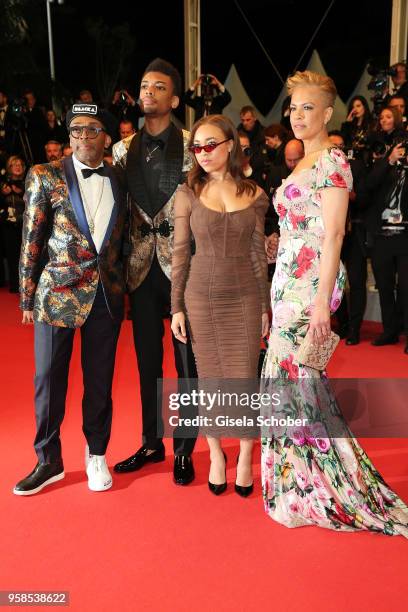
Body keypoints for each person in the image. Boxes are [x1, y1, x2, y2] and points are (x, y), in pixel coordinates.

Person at [261, 70, 408, 536]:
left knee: (294, 378)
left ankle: (319, 484)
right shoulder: (300, 163)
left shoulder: (333, 161)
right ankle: (296, 479)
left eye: (308, 108)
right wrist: (275, 244)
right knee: (290, 379)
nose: (298, 116)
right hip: (286, 280)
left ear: (327, 113)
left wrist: (323, 304)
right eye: (293, 107)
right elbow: (298, 225)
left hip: (310, 286)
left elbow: (336, 234)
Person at [14, 103, 127, 496]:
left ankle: (96, 454)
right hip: (56, 294)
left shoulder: (118, 178)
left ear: (106, 137)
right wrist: (27, 296)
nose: (81, 136)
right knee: (47, 380)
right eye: (75, 129)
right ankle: (48, 460)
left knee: (100, 381)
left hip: (105, 296)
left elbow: (123, 238)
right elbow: (31, 238)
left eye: (91, 129)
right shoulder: (44, 175)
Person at [171, 114, 269, 497]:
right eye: (197, 147)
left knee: (244, 379)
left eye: (211, 144)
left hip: (244, 294)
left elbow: (258, 254)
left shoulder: (256, 195)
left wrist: (263, 305)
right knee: (209, 379)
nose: (203, 153)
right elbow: (180, 253)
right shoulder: (187, 193)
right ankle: (215, 453)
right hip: (201, 297)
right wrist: (176, 306)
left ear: (231, 144)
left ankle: (245, 454)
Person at [112, 58, 197, 486]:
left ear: (174, 98)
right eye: (144, 85)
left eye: (158, 86)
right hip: (140, 267)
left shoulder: (194, 143)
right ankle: (151, 441)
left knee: (187, 364)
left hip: (184, 267)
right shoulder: (121, 149)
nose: (148, 91)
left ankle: (184, 448)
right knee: (147, 362)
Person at [0, 155, 26, 292]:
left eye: (20, 164)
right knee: (12, 255)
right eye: (14, 165)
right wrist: (3, 194)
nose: (17, 167)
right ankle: (15, 285)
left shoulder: (28, 182)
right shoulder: (3, 184)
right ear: (9, 168)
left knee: (26, 255)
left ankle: (27, 285)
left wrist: (21, 193)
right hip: (9, 225)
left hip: (26, 224)